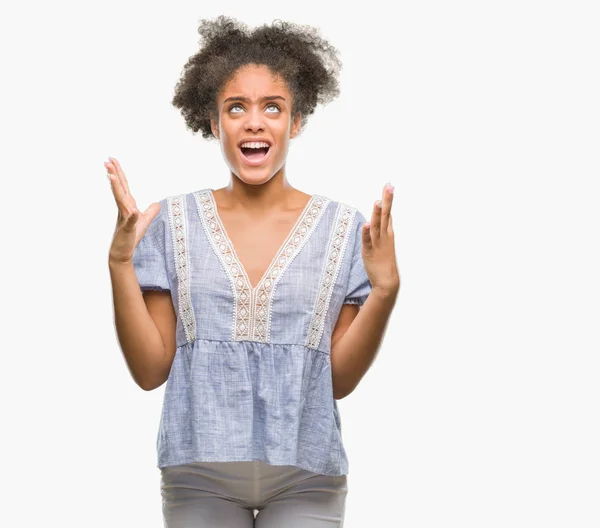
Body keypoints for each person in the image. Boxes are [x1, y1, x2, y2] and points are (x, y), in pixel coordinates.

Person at [106, 15, 400, 528]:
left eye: (273, 107)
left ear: (296, 121)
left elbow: (340, 381)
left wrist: (385, 290)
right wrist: (120, 264)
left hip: (307, 474)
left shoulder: (344, 229)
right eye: (235, 107)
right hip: (198, 471)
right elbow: (150, 371)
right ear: (215, 123)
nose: (254, 122)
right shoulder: (170, 223)